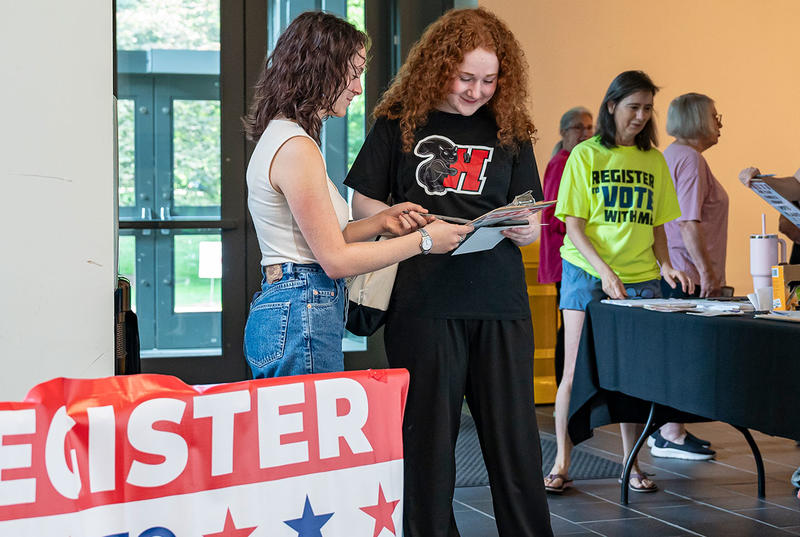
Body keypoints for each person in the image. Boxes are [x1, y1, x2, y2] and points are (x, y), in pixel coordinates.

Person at [344, 8, 554, 537]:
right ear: (439, 68)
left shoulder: (508, 128)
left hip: (499, 300)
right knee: (428, 442)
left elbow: (527, 205)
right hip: (423, 301)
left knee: (515, 442)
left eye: (489, 80)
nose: (476, 91)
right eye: (466, 78)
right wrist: (398, 220)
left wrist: (528, 227)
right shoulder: (399, 123)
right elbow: (363, 204)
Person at [241, 12, 471, 379]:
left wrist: (382, 221)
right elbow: (334, 260)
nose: (358, 87)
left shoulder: (285, 136)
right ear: (321, 69)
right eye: (354, 72)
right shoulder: (296, 147)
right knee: (313, 436)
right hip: (303, 306)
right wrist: (425, 241)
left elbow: (322, 240)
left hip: (292, 304)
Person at [547, 70, 693, 495]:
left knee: (631, 375)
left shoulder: (654, 160)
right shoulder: (586, 155)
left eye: (648, 109)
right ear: (612, 106)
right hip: (586, 271)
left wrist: (665, 266)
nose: (641, 116)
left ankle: (630, 465)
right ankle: (561, 461)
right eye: (633, 107)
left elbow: (659, 226)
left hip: (641, 276)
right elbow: (574, 227)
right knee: (573, 369)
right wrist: (605, 272)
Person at [645, 93, 729, 460]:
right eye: (714, 115)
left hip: (676, 271)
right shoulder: (691, 160)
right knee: (688, 356)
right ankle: (670, 433)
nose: (720, 122)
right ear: (697, 119)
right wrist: (709, 272)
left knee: (677, 353)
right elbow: (689, 222)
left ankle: (669, 430)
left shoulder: (672, 155)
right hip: (691, 276)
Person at [539, 107, 593, 385]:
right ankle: (567, 388)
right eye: (578, 128)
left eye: (589, 127)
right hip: (566, 257)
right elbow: (554, 215)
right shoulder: (562, 162)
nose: (585, 134)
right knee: (570, 329)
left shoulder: (582, 161)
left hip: (578, 255)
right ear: (564, 132)